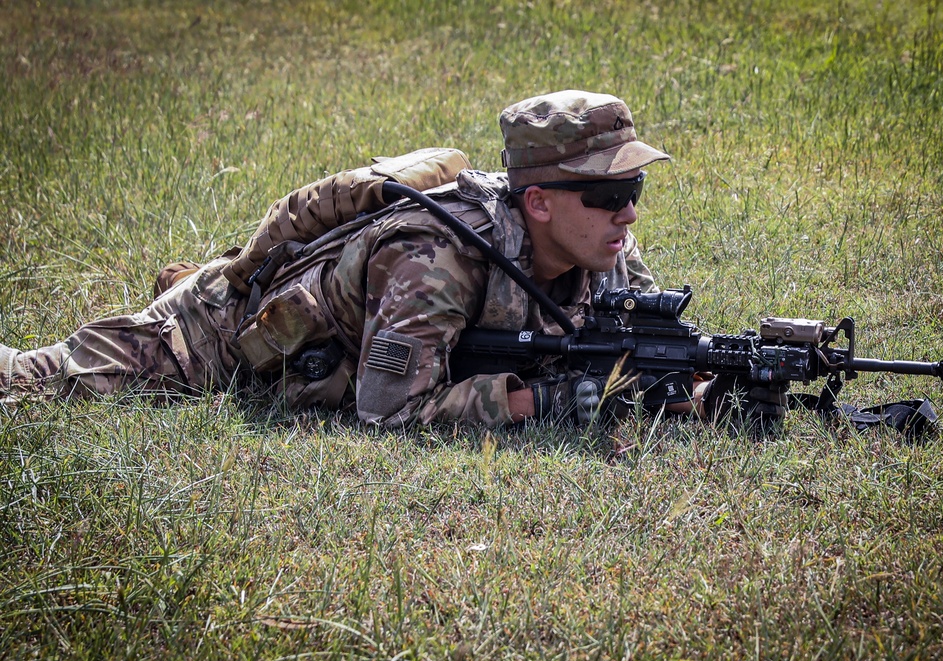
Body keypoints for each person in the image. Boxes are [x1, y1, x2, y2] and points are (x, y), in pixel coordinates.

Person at [1, 90, 737, 427]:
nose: (628, 211)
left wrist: (701, 384)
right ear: (537, 201)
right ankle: (193, 288)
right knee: (54, 377)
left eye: (633, 186)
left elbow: (644, 344)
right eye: (607, 192)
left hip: (359, 313)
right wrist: (539, 401)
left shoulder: (606, 245)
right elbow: (389, 408)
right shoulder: (437, 260)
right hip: (229, 341)